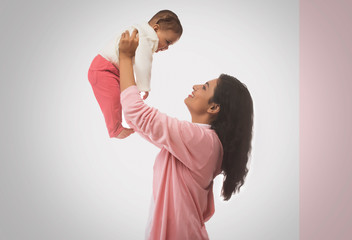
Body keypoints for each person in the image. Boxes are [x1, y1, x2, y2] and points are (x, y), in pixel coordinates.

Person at [119, 30, 254, 240]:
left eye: (205, 87)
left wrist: (125, 58)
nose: (195, 86)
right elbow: (144, 124)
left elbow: (137, 114)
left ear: (214, 107)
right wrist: (129, 123)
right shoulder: (199, 142)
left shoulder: (203, 141)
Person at [88, 10, 182, 139]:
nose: (166, 48)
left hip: (112, 69)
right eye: (168, 42)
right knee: (113, 99)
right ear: (156, 28)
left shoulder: (141, 32)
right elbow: (144, 62)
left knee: (124, 99)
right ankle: (115, 129)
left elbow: (135, 63)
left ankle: (124, 124)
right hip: (104, 69)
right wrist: (144, 86)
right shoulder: (148, 37)